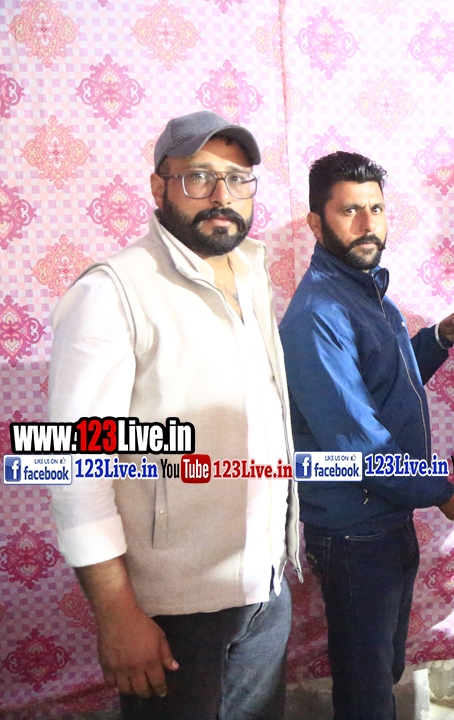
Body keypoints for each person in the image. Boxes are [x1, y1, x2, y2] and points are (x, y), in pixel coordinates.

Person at [48, 110, 299, 719]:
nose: (222, 196)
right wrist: (117, 613)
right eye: (199, 177)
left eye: (237, 179)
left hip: (265, 589)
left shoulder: (252, 274)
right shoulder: (113, 292)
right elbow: (73, 468)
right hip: (172, 609)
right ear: (159, 186)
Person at [278, 151, 454, 720]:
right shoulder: (318, 314)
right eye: (349, 211)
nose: (367, 224)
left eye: (375, 208)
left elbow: (388, 383)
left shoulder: (372, 295)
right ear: (316, 223)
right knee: (366, 686)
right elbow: (359, 444)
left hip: (387, 516)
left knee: (382, 670)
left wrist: (439, 338)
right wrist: (445, 492)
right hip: (354, 530)